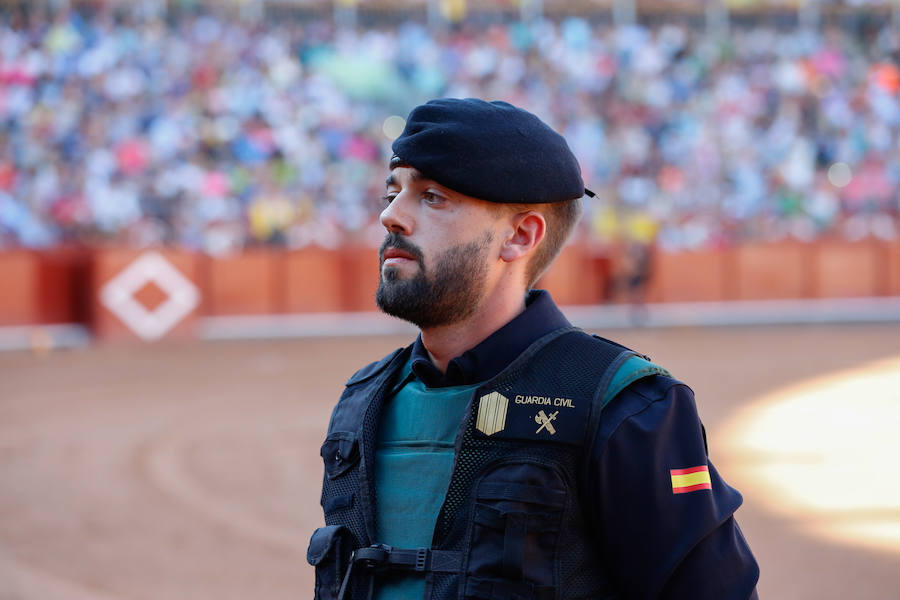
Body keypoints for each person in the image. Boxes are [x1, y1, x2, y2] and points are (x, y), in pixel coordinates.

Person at [308, 98, 759, 600]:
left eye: (432, 197)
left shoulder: (626, 407)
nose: (392, 216)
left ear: (520, 236)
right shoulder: (364, 401)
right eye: (393, 193)